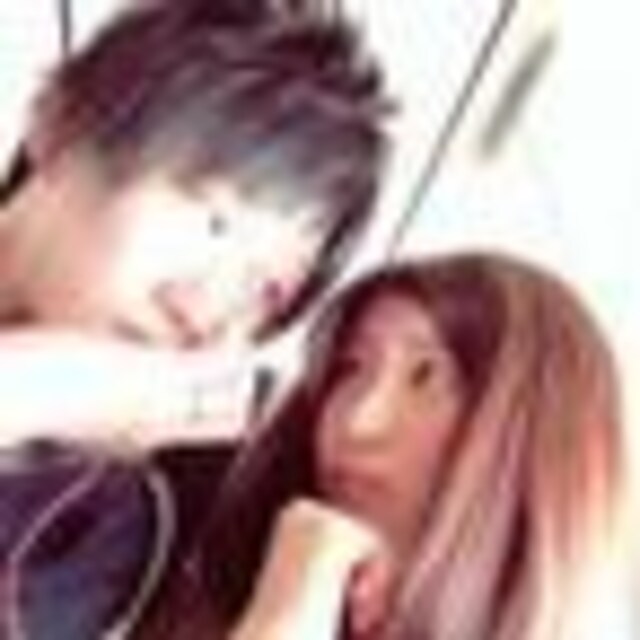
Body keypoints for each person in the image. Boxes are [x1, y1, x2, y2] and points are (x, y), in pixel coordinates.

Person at [0, 1, 389, 637]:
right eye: (214, 222)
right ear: (59, 126)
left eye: (265, 291)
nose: (206, 314)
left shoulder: (98, 525)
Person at [160, 252, 626, 640]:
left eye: (425, 376)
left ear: (525, 426)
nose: (359, 422)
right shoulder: (189, 536)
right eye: (349, 369)